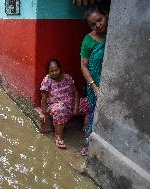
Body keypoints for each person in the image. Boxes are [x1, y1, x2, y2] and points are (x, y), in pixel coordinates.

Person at [80, 4, 109, 156]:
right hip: (94, 85)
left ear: (106, 15)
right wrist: (94, 86)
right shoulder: (88, 40)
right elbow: (83, 67)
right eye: (92, 24)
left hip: (110, 83)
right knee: (90, 113)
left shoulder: (114, 34)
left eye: (100, 20)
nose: (97, 25)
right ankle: (87, 142)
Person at [40, 60, 88, 149]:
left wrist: (76, 108)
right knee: (60, 108)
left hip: (71, 104)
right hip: (55, 106)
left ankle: (86, 128)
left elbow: (76, 93)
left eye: (56, 70)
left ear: (60, 69)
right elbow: (43, 99)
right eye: (51, 71)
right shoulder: (47, 80)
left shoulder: (67, 77)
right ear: (48, 72)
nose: (54, 73)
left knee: (89, 103)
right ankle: (58, 136)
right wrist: (43, 113)